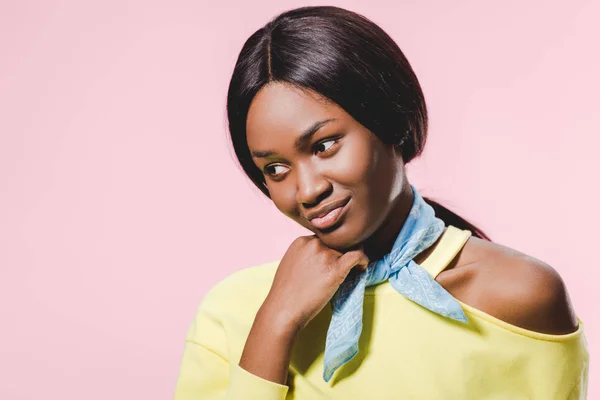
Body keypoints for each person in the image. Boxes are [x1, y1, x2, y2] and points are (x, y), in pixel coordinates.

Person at [174, 6, 589, 399]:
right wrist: (275, 325)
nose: (307, 190)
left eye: (324, 145)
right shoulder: (231, 311)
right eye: (276, 169)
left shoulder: (519, 296)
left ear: (393, 121)